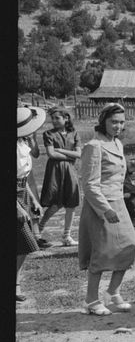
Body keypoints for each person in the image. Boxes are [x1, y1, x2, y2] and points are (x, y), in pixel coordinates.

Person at [77, 103, 135, 316]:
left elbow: (114, 173)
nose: (118, 126)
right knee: (102, 252)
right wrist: (105, 210)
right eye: (114, 122)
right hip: (100, 206)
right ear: (103, 121)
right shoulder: (94, 146)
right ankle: (91, 300)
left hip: (118, 202)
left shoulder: (117, 143)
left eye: (121, 122)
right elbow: (90, 185)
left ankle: (113, 292)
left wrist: (129, 169)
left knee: (130, 246)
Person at [37, 105, 81, 247]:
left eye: (57, 118)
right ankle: (39, 229)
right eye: (52, 118)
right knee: (56, 202)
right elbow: (51, 154)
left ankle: (67, 236)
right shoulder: (48, 134)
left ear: (66, 118)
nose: (54, 121)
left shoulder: (74, 133)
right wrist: (70, 155)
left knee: (71, 202)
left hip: (70, 171)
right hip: (55, 170)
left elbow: (79, 154)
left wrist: (61, 150)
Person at [17, 105, 48, 303]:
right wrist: (17, 207)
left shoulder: (23, 143)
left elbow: (23, 177)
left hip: (22, 193)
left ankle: (16, 281)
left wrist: (32, 199)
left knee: (23, 245)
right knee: (23, 242)